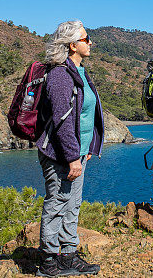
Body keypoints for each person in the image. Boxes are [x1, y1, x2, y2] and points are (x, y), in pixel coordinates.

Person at [35, 20, 104, 277]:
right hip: (60, 156)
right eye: (86, 39)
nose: (90, 42)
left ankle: (68, 256)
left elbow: (84, 115)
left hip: (77, 153)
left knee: (72, 204)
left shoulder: (80, 72)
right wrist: (73, 157)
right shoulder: (60, 76)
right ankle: (49, 262)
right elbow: (63, 122)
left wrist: (84, 149)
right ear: (72, 45)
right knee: (57, 203)